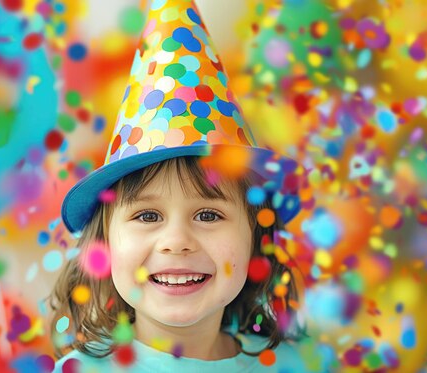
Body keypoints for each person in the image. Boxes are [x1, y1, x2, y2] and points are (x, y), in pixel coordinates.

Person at [50, 0, 310, 371]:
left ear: (256, 235)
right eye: (147, 214)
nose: (176, 240)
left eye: (208, 213)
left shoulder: (294, 364)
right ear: (104, 242)